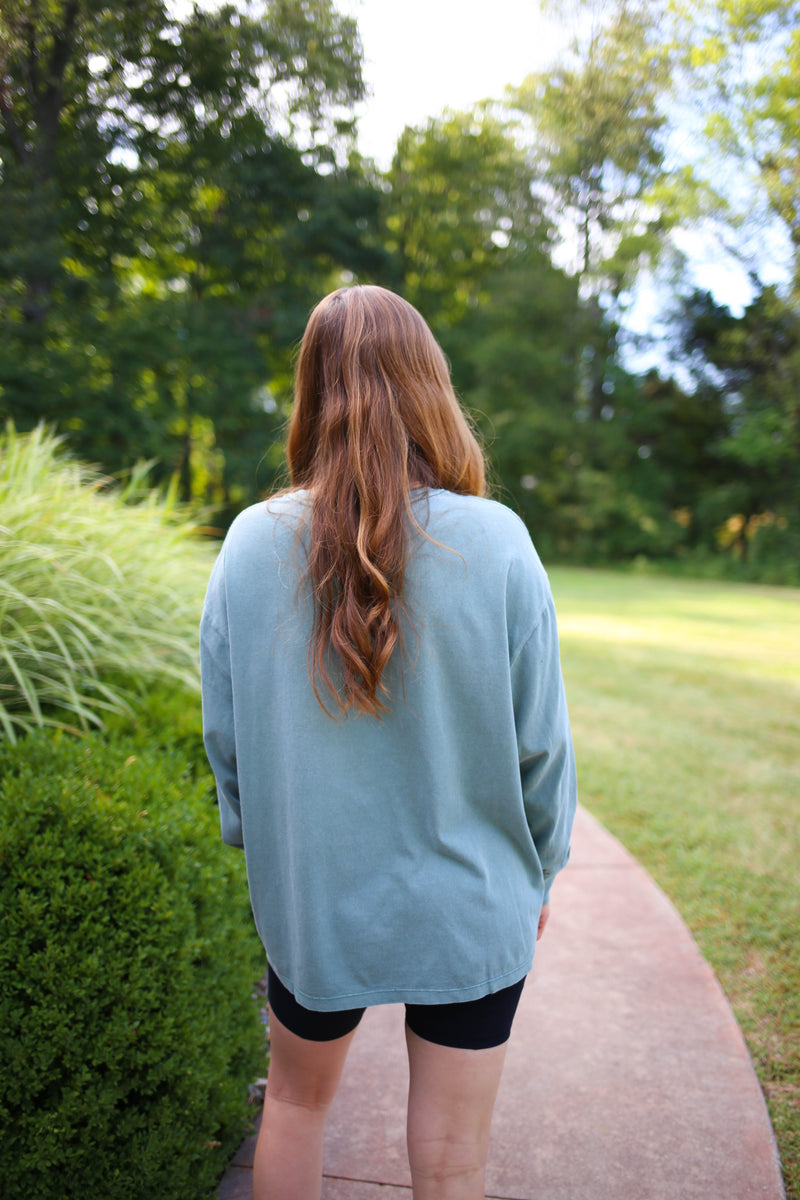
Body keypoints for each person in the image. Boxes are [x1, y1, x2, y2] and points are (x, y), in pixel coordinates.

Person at [200, 284, 577, 1200]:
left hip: (314, 894)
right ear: (429, 385)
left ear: (311, 388)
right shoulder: (496, 540)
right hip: (472, 901)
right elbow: (542, 743)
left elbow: (227, 734)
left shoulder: (250, 543)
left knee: (293, 1109)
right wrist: (544, 864)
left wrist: (265, 846)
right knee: (454, 1160)